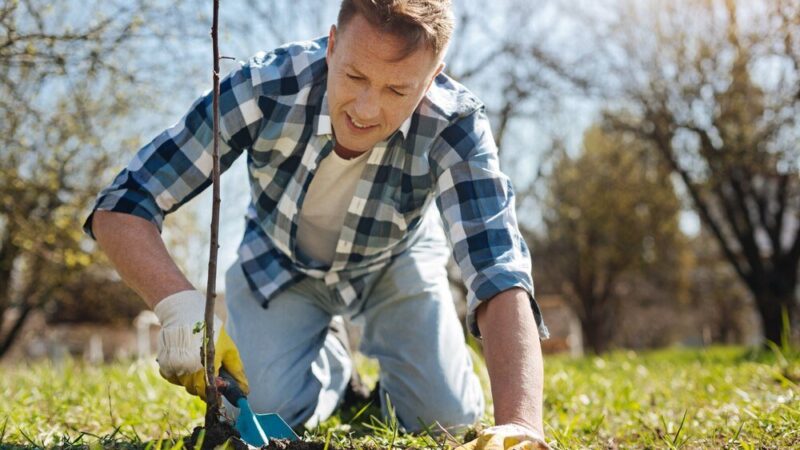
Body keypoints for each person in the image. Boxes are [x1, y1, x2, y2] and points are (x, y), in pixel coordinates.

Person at [85, 1, 550, 448]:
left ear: (435, 75)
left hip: (395, 258)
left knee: (444, 420)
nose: (366, 110)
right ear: (331, 45)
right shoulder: (263, 87)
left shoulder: (457, 124)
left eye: (397, 90)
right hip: (278, 263)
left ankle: (405, 386)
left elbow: (499, 270)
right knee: (258, 411)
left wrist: (521, 424)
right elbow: (124, 204)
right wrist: (178, 306)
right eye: (354, 76)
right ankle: (332, 369)